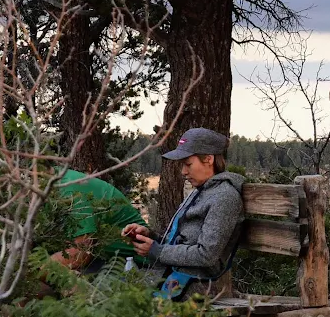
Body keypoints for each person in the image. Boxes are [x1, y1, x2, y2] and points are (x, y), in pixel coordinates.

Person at [123, 128, 246, 300]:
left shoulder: (225, 197)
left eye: (188, 164)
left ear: (209, 159)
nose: (183, 172)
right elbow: (180, 243)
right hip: (174, 275)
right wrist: (150, 236)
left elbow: (206, 255)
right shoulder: (200, 192)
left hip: (198, 285)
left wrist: (157, 250)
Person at [51, 168, 146, 273]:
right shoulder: (51, 184)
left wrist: (38, 268)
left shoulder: (68, 191)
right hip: (102, 257)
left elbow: (80, 254)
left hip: (132, 262)